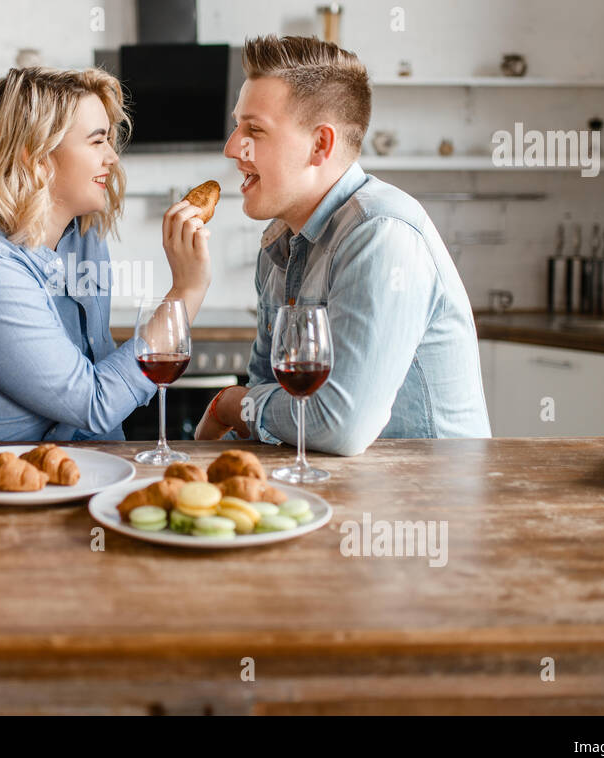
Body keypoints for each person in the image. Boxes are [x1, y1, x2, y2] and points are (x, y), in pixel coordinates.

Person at [195, 35, 490, 453]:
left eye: (254, 130)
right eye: (236, 125)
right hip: (335, 492)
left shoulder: (381, 236)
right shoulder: (277, 245)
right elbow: (269, 396)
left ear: (321, 145)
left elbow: (339, 425)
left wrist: (230, 405)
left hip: (426, 503)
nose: (231, 148)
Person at [0, 66, 212, 441]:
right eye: (97, 141)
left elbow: (103, 375)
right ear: (38, 158)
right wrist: (186, 292)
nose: (112, 157)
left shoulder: (83, 234)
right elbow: (94, 404)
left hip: (87, 475)